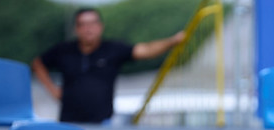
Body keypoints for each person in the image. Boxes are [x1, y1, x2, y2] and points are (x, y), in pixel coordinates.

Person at [32, 7, 185, 123]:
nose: (88, 28)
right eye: (83, 24)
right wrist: (53, 90)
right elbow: (38, 64)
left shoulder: (113, 49)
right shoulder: (63, 50)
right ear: (76, 29)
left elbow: (146, 50)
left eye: (92, 23)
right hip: (69, 123)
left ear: (100, 26)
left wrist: (172, 41)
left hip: (104, 124)